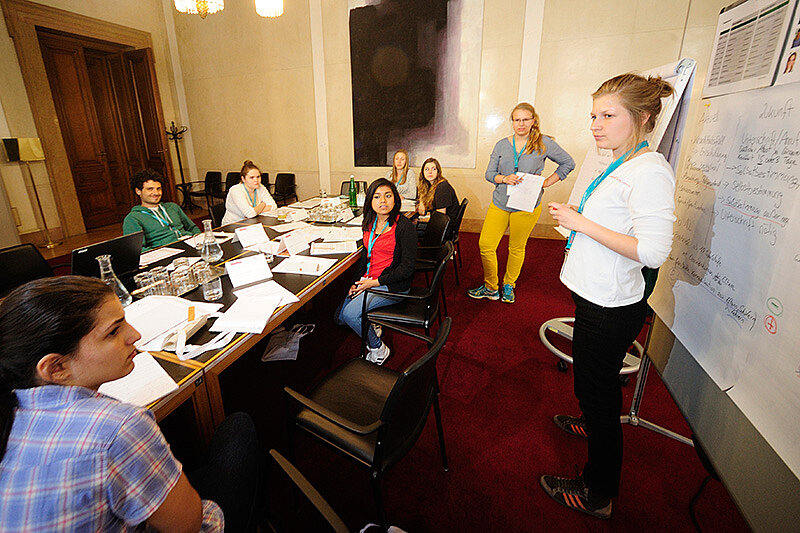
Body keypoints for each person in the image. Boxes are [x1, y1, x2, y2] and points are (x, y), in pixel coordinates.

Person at [0, 276, 263, 531]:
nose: (135, 335)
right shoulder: (119, 427)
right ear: (56, 367)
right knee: (238, 429)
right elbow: (188, 526)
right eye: (113, 332)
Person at [541, 73, 676, 519]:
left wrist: (581, 224)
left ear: (642, 117)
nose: (595, 125)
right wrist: (579, 217)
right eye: (593, 115)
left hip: (610, 304)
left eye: (607, 115)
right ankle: (590, 421)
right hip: (596, 295)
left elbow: (653, 251)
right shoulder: (621, 161)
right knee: (592, 385)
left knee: (596, 391)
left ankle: (598, 492)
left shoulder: (649, 171)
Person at [467, 103, 575, 304]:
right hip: (500, 202)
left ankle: (509, 284)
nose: (521, 124)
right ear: (512, 122)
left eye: (525, 119)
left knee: (516, 247)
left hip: (527, 205)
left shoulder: (544, 143)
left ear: (533, 120)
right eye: (517, 120)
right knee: (486, 245)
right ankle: (491, 287)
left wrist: (546, 182)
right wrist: (504, 178)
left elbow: (568, 163)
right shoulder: (501, 145)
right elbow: (489, 174)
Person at [334, 178, 416, 365]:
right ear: (370, 200)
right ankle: (372, 321)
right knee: (339, 318)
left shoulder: (404, 227)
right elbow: (366, 259)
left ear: (395, 199)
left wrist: (373, 283)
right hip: (369, 279)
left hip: (391, 284)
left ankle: (379, 349)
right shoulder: (369, 222)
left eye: (388, 196)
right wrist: (355, 283)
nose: (383, 201)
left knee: (349, 315)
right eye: (377, 197)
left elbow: (407, 268)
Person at [123, 169, 200, 251]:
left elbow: (192, 228)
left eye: (158, 188)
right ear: (138, 191)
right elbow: (138, 249)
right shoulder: (133, 218)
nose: (156, 193)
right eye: (150, 189)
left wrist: (200, 241)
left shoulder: (172, 207)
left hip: (191, 243)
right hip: (168, 252)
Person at [222, 160, 278, 225]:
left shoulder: (260, 187)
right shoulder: (236, 190)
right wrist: (263, 204)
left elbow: (273, 205)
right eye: (251, 177)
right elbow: (250, 214)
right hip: (233, 225)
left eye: (258, 177)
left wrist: (255, 211)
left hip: (252, 222)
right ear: (243, 179)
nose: (256, 180)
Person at [416, 157, 459, 224]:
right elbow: (423, 211)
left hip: (444, 226)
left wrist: (420, 220)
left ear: (438, 171)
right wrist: (421, 201)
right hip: (439, 222)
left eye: (433, 169)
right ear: (422, 172)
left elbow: (440, 217)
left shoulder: (442, 187)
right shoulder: (429, 185)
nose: (430, 172)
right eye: (427, 169)